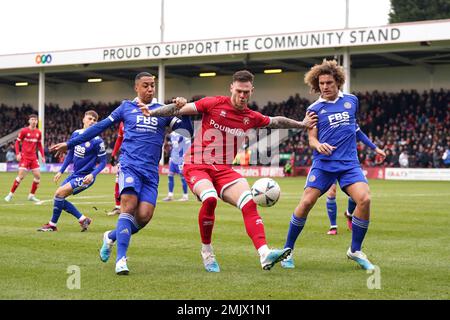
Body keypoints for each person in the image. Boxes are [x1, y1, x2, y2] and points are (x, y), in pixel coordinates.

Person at [139, 70, 317, 272]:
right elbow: (180, 109)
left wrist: (302, 125)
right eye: (239, 91)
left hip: (224, 170)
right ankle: (207, 251)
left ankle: (265, 254)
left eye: (246, 92)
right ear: (232, 87)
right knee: (210, 198)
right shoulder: (213, 103)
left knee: (249, 202)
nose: (242, 96)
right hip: (197, 164)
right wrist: (153, 112)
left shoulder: (251, 117)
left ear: (252, 91)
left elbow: (276, 121)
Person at [50, 72, 193, 275]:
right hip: (129, 166)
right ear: (137, 87)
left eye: (152, 85)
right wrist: (70, 143)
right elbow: (99, 127)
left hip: (151, 172)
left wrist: (182, 110)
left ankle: (110, 236)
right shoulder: (126, 107)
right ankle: (121, 260)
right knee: (128, 206)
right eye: (146, 85)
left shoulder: (162, 111)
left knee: (144, 216)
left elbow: (187, 132)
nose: (150, 89)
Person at [281, 59, 375, 270]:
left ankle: (355, 251)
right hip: (323, 164)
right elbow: (311, 138)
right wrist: (318, 144)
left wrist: (372, 146)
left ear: (338, 82)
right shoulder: (314, 108)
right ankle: (287, 251)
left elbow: (354, 128)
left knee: (365, 199)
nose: (325, 86)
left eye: (329, 82)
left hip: (349, 164)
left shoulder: (352, 101)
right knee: (306, 203)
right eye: (322, 83)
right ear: (317, 84)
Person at [37, 110, 106, 232]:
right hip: (75, 174)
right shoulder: (76, 134)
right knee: (59, 197)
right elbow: (70, 154)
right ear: (83, 119)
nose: (92, 122)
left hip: (85, 177)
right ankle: (83, 219)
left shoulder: (97, 141)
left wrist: (92, 174)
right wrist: (61, 171)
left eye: (95, 120)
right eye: (90, 119)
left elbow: (103, 162)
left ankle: (52, 225)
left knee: (59, 194)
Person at [325, 126, 386, 235]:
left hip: (348, 162)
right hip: (330, 161)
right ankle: (333, 226)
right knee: (331, 192)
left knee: (357, 195)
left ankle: (349, 213)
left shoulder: (348, 116)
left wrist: (376, 149)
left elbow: (360, 134)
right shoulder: (325, 115)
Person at [4, 114, 45, 202]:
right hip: (25, 157)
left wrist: (43, 155)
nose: (34, 121)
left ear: (37, 121)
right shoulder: (24, 131)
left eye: (35, 120)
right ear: (29, 121)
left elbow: (39, 145)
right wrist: (18, 153)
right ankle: (10, 195)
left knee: (38, 176)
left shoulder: (38, 132)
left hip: (33, 158)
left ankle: (31, 196)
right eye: (32, 119)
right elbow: (17, 143)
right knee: (21, 176)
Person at [162, 130, 191, 202]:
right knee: (170, 176)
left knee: (182, 177)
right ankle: (170, 195)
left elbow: (187, 146)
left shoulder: (184, 135)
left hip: (181, 160)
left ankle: (185, 196)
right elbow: (172, 145)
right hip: (173, 159)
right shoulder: (172, 134)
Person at [106, 122, 124, 216]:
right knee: (118, 181)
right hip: (125, 157)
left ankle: (134, 208)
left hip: (139, 157)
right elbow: (120, 139)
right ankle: (118, 207)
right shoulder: (122, 123)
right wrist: (113, 155)